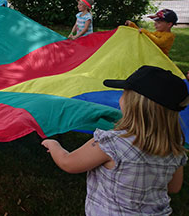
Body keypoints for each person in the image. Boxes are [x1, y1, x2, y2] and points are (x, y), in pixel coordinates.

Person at [41, 65, 188, 215]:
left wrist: (54, 145)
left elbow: (68, 162)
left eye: (124, 94)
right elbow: (173, 187)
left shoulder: (112, 143)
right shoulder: (175, 148)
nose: (120, 98)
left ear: (133, 105)